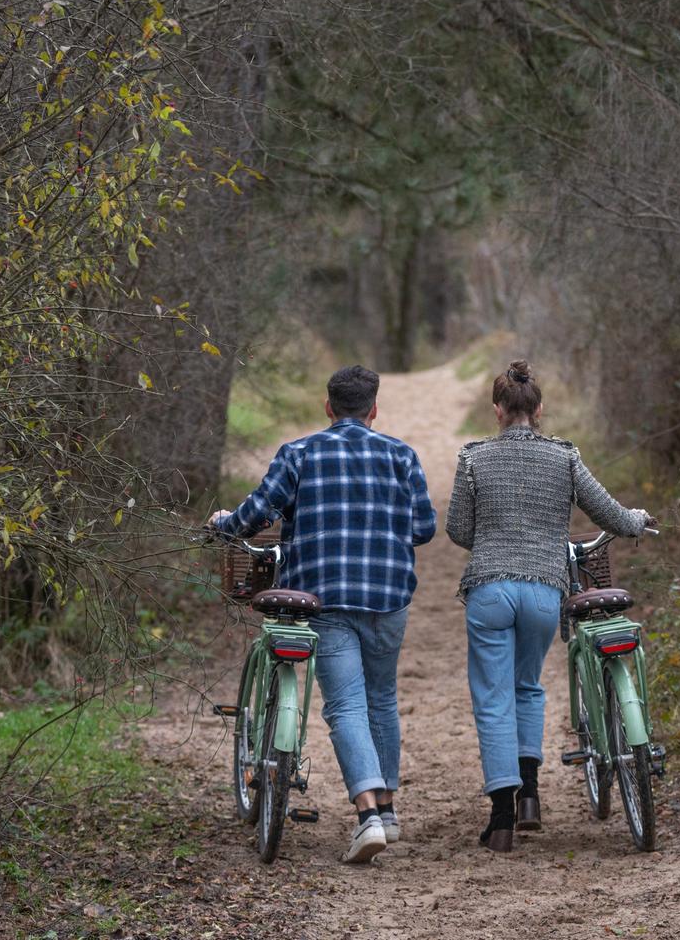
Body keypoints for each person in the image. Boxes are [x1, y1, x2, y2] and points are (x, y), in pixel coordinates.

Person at [209, 364, 436, 864]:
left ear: (328, 407)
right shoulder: (402, 456)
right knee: (382, 699)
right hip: (389, 597)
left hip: (324, 598)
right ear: (373, 409)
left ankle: (367, 817)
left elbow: (259, 513)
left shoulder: (300, 453)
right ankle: (389, 810)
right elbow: (424, 528)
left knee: (346, 706)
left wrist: (226, 524)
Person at [444, 360, 655, 853]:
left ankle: (501, 820)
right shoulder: (563, 457)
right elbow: (611, 514)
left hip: (490, 590)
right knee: (527, 687)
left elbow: (456, 529)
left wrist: (496, 539)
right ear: (538, 410)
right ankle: (532, 796)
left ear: (497, 410)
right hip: (543, 590)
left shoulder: (474, 458)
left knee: (493, 698)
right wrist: (636, 520)